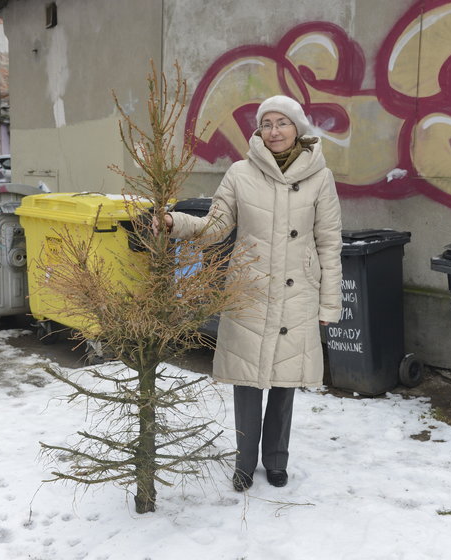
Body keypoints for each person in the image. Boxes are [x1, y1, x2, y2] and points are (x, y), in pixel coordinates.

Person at [162, 95, 343, 491]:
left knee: (284, 380)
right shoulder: (240, 173)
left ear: (297, 128)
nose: (274, 131)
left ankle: (276, 460)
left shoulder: (320, 176)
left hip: (298, 291)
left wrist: (330, 301)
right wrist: (171, 221)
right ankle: (244, 464)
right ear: (258, 130)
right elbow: (214, 227)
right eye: (266, 123)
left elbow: (329, 242)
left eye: (282, 123)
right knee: (247, 381)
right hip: (251, 287)